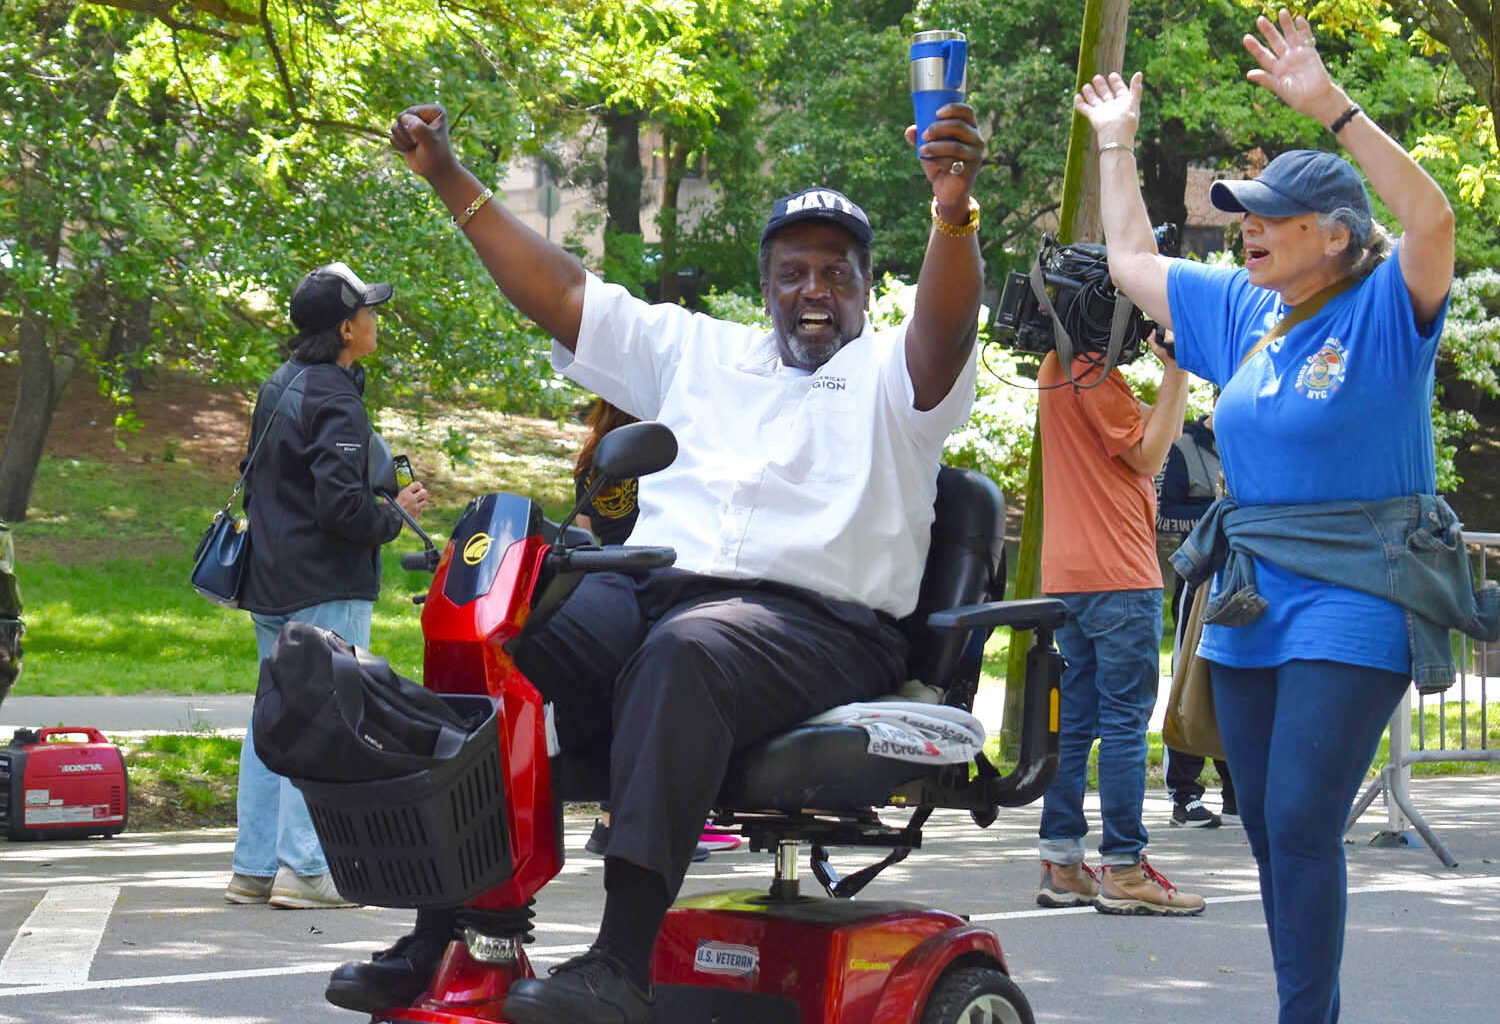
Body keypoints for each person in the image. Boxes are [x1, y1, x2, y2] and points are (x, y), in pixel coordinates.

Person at [324, 97, 985, 1024]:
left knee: (690, 654)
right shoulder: (698, 350)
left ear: (867, 289)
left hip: (822, 624)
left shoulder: (899, 378)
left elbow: (948, 329)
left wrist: (953, 211)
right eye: (793, 271)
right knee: (506, 643)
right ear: (767, 284)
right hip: (659, 593)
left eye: (836, 274)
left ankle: (621, 962)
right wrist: (446, 175)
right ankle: (461, 930)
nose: (812, 290)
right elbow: (558, 293)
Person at [1073, 9, 1491, 1022]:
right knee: (1266, 818)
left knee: (1301, 812)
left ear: (1335, 235)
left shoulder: (1390, 304)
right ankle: (1315, 1001)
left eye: (1266, 213)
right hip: (1255, 595)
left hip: (1364, 583)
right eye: (1241, 213)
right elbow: (1131, 262)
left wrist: (1332, 108)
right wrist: (1117, 145)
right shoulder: (1248, 307)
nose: (1244, 225)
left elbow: (1433, 220)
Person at [227, 262, 430, 910]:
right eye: (368, 311)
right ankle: (307, 870)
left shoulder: (278, 384)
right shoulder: (335, 396)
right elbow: (342, 508)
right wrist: (394, 516)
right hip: (325, 585)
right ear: (347, 328)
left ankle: (254, 868)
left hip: (269, 580)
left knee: (275, 722)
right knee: (324, 723)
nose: (375, 320)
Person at [1033, 328, 1204, 916]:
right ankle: (1125, 868)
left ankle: (1062, 864)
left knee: (1076, 721)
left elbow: (1151, 438)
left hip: (1070, 573)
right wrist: (1178, 371)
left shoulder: (1057, 364)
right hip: (1120, 574)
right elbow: (1151, 454)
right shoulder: (1091, 368)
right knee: (1126, 723)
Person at [1156, 410, 1237, 828]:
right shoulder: (1182, 447)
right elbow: (1161, 513)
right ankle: (1184, 795)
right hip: (1202, 576)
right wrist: (1220, 512)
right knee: (1191, 676)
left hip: (1252, 576)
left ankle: (1238, 793)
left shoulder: (1261, 436)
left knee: (1242, 678)